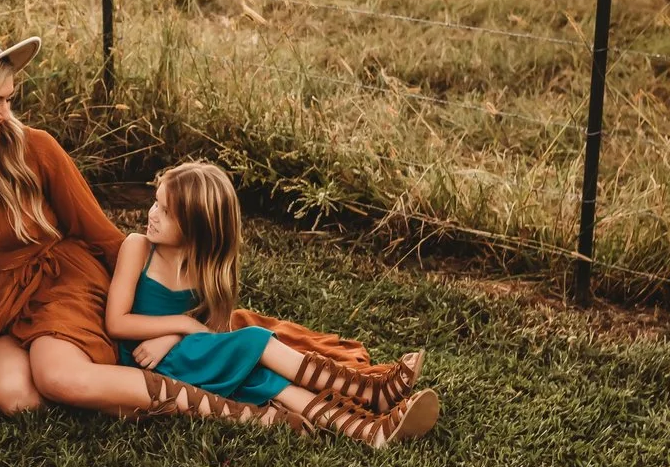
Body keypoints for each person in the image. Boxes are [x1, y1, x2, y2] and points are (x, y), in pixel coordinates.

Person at [0, 24, 172, 419]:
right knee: (18, 400)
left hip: (60, 283)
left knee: (59, 379)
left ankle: (220, 406)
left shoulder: (35, 148)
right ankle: (100, 389)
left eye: (8, 100)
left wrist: (159, 309)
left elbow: (99, 234)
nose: (4, 114)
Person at [109, 160, 439, 447]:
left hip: (185, 354)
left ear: (197, 227)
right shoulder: (138, 248)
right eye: (156, 203)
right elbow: (117, 322)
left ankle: (368, 432)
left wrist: (173, 336)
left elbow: (212, 330)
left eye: (165, 212)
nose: (152, 214)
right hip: (147, 362)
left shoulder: (206, 269)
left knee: (267, 380)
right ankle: (368, 390)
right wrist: (182, 325)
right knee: (256, 342)